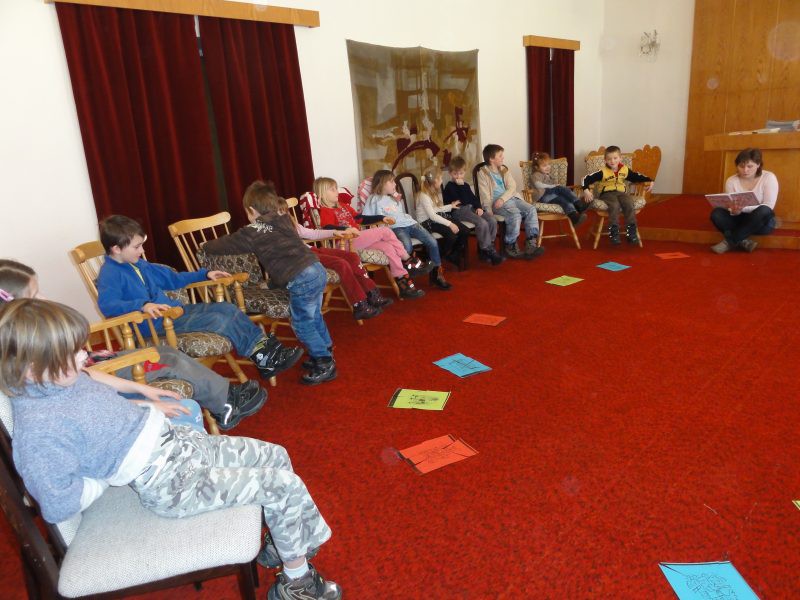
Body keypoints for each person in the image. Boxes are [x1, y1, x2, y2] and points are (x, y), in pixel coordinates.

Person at [0, 299, 341, 600]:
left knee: (276, 454)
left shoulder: (57, 380)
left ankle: (284, 543)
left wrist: (146, 396)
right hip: (172, 483)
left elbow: (94, 387)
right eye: (72, 353)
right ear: (30, 368)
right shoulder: (40, 431)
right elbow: (58, 504)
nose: (84, 357)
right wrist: (107, 475)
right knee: (282, 486)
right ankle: (296, 585)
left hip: (180, 447)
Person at [0, 258, 265, 430]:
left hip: (97, 362)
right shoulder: (32, 354)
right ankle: (224, 405)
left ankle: (225, 395)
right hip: (99, 370)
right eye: (35, 294)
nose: (44, 298)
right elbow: (81, 380)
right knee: (167, 359)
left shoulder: (25, 338)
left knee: (164, 352)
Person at [95, 216, 303, 381]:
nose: (142, 250)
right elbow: (108, 305)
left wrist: (205, 274)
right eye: (137, 246)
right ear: (116, 249)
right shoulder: (110, 274)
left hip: (174, 313)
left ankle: (265, 352)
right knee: (218, 320)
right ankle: (264, 358)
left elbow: (173, 278)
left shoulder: (139, 264)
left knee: (228, 308)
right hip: (155, 324)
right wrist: (142, 305)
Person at [202, 181, 337, 385]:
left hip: (301, 277)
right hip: (316, 269)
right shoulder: (283, 219)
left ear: (251, 210)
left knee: (302, 323)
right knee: (314, 315)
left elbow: (227, 243)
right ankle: (325, 349)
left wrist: (206, 246)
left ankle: (324, 361)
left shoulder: (253, 231)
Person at [315, 176, 427, 299]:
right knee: (385, 231)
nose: (337, 191)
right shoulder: (325, 211)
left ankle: (403, 283)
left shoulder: (343, 206)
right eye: (332, 189)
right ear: (322, 193)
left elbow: (361, 219)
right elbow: (327, 228)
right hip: (344, 243)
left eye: (336, 188)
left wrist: (381, 218)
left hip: (357, 240)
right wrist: (345, 229)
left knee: (388, 247)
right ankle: (407, 258)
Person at [363, 169, 452, 290]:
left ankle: (437, 275)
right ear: (382, 183)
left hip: (411, 223)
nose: (395, 184)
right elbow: (366, 218)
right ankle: (406, 275)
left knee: (432, 242)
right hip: (396, 227)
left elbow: (401, 213)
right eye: (391, 181)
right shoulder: (373, 199)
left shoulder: (393, 198)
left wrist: (396, 198)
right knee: (407, 247)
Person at [295, 220, 393, 320]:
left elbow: (313, 233)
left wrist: (334, 232)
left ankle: (372, 294)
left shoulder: (291, 222)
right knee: (341, 263)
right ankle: (359, 305)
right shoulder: (282, 228)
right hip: (302, 256)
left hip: (311, 250)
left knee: (352, 257)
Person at [477, 144, 545, 259]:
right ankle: (510, 245)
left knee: (531, 209)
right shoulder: (482, 173)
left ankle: (531, 244)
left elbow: (512, 186)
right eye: (500, 156)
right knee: (515, 215)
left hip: (510, 198)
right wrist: (488, 210)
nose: (503, 157)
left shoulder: (504, 169)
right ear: (491, 159)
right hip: (496, 203)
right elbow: (484, 195)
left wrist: (503, 198)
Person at [710, 147, 779, 254]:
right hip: (740, 218)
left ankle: (729, 242)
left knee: (764, 210)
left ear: (758, 164)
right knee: (717, 213)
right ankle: (743, 240)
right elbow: (731, 206)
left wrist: (742, 209)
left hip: (760, 221)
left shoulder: (768, 177)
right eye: (741, 166)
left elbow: (769, 206)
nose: (745, 170)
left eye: (749, 166)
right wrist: (733, 210)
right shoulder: (731, 181)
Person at [581, 145, 654, 245]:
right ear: (605, 160)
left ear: (620, 158)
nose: (612, 161)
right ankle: (614, 232)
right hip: (607, 193)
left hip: (621, 193)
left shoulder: (625, 170)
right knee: (614, 205)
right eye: (609, 159)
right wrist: (586, 190)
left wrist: (650, 180)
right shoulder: (602, 172)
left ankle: (631, 232)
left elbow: (636, 176)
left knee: (629, 203)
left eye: (615, 158)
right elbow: (585, 179)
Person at [443, 156, 504, 265]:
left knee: (492, 220)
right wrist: (460, 187)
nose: (458, 176)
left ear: (464, 173)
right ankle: (487, 249)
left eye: (461, 173)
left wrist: (479, 207)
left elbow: (473, 198)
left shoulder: (466, 185)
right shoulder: (449, 187)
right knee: (482, 222)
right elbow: (461, 201)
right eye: (455, 174)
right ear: (450, 173)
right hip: (459, 210)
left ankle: (487, 248)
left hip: (471, 208)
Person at [415, 167, 470, 269]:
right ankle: (437, 257)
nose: (441, 181)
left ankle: (453, 255)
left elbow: (436, 209)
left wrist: (450, 206)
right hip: (427, 222)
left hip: (436, 217)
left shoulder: (432, 192)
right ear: (434, 181)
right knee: (451, 235)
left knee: (465, 230)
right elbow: (432, 215)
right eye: (440, 178)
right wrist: (450, 224)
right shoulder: (423, 196)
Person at [530, 151, 589, 227]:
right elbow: (538, 185)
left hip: (551, 197)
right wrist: (552, 186)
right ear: (536, 167)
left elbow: (553, 184)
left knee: (563, 200)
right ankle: (578, 204)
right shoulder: (536, 174)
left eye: (548, 164)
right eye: (544, 166)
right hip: (542, 197)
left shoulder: (548, 175)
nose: (548, 167)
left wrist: (554, 185)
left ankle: (573, 217)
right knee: (561, 188)